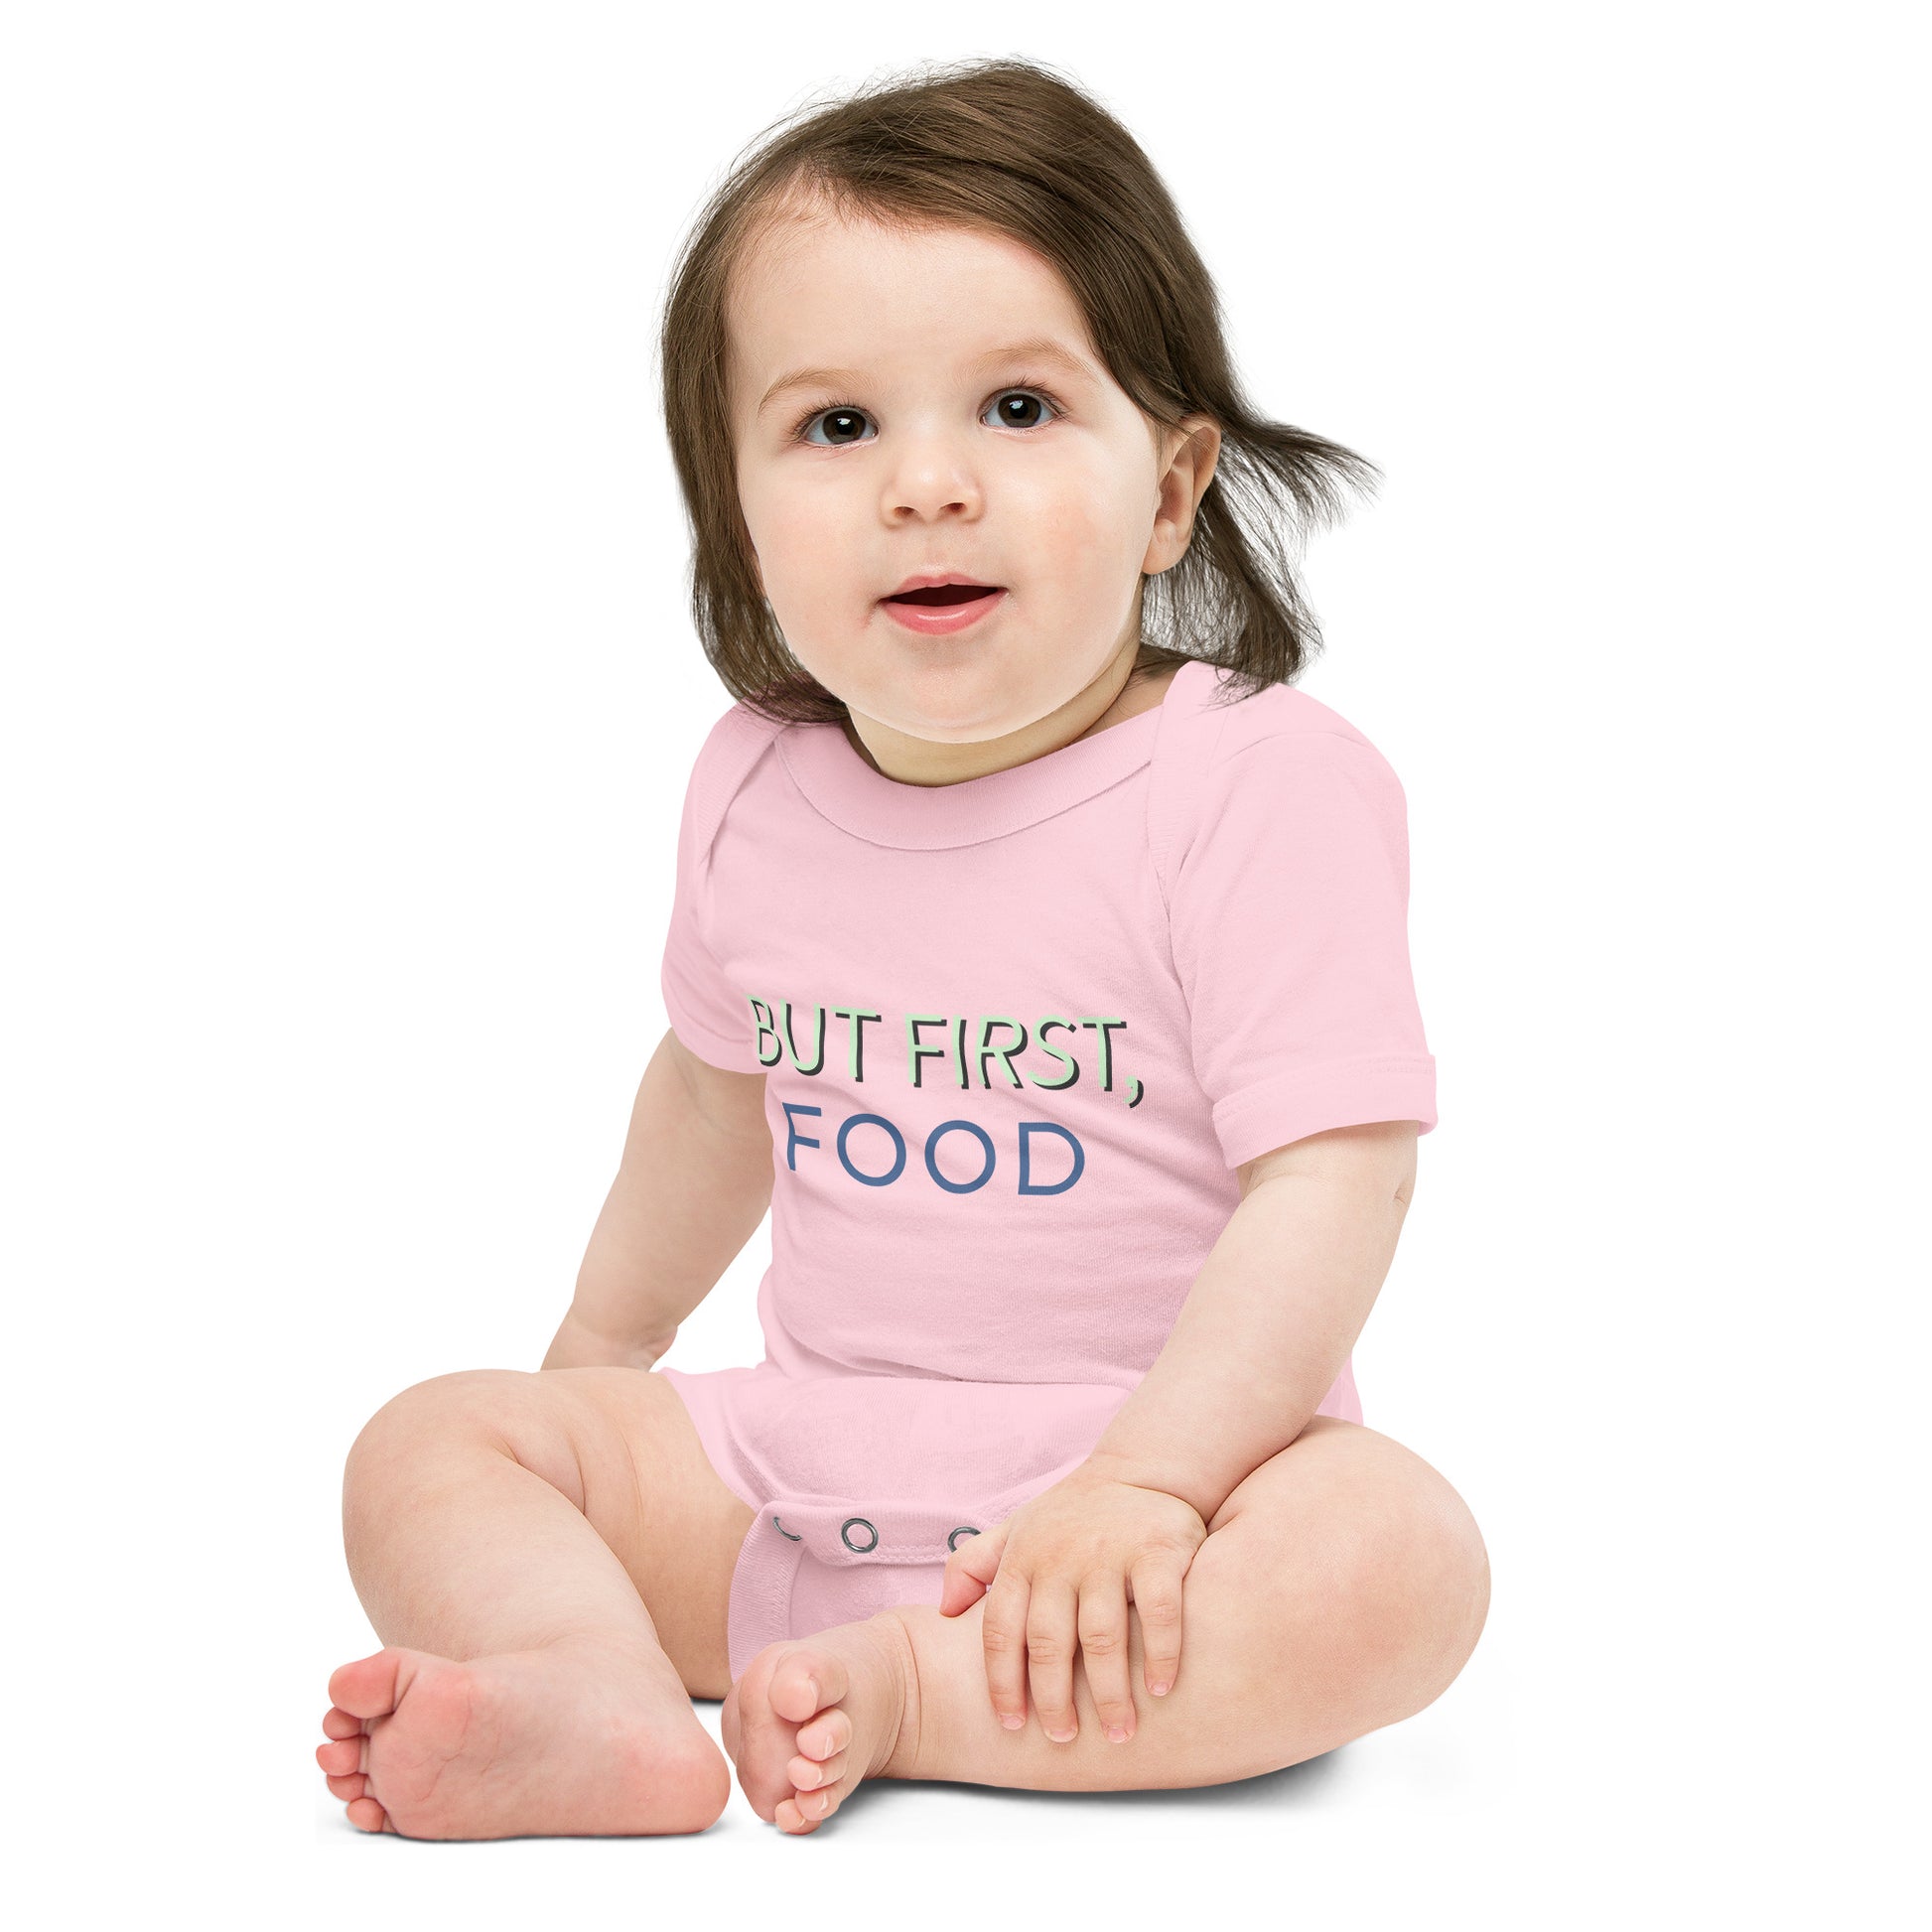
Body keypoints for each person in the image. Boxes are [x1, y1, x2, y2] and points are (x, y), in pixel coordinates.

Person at [315, 55, 1490, 1840]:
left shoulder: (1252, 785)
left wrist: (1148, 1486)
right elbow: (714, 1099)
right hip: (808, 1463)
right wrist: (597, 1362)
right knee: (431, 1444)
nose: (927, 485)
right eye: (836, 426)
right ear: (736, 511)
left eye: (1016, 409)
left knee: (1401, 1557)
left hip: (1170, 1497)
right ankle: (594, 1691)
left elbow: (1334, 1180)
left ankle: (918, 1694)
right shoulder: (752, 789)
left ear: (1170, 489)